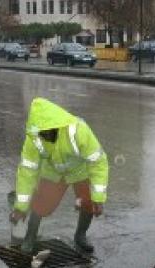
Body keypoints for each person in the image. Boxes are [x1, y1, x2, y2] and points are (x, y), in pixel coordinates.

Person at [10, 98, 109, 254]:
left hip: (79, 171)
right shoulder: (34, 139)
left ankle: (80, 235)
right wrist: (20, 207)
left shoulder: (78, 130)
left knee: (88, 202)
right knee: (41, 204)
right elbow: (27, 171)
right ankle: (30, 237)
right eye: (42, 133)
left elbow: (98, 162)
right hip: (53, 172)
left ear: (57, 125)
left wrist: (98, 197)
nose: (46, 136)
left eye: (49, 131)